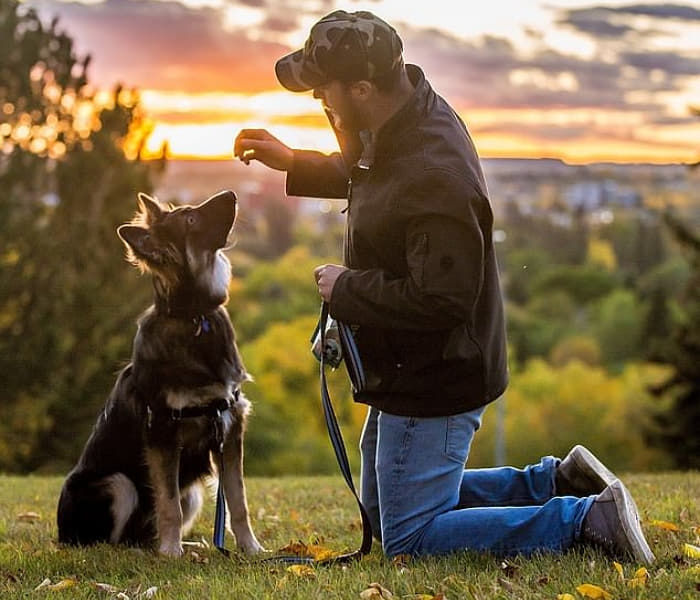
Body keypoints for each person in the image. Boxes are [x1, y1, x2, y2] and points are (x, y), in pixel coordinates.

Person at [233, 10, 655, 564]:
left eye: (322, 91)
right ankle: (555, 482)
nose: (320, 102)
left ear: (361, 88)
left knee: (408, 537)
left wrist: (347, 289)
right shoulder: (398, 119)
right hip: (408, 363)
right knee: (383, 508)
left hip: (436, 372)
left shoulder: (434, 172)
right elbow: (373, 173)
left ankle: (585, 519)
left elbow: (442, 298)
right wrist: (296, 163)